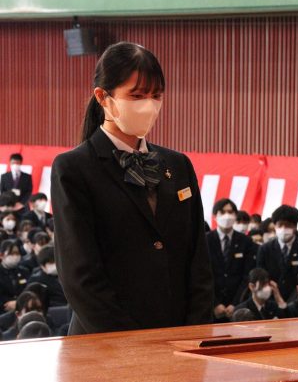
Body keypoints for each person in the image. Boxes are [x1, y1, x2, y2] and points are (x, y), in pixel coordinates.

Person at [50, 41, 213, 335]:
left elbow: (198, 258)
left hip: (179, 338)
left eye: (156, 96)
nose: (148, 105)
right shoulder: (74, 168)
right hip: (106, 341)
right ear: (103, 97)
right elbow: (79, 276)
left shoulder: (178, 165)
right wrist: (132, 345)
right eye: (136, 96)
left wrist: (195, 330)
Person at [205, 198, 257, 322]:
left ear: (235, 215)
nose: (227, 216)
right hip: (212, 308)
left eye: (230, 212)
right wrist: (215, 303)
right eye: (222, 212)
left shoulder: (246, 241)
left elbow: (247, 275)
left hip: (238, 307)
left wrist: (235, 304)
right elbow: (203, 275)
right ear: (215, 216)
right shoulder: (205, 240)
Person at [256, 205, 298, 302]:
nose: (283, 228)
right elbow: (261, 277)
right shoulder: (265, 249)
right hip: (271, 301)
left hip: (297, 302)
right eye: (280, 225)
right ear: (275, 226)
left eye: (288, 225)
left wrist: (291, 303)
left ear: (295, 227)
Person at [0, 239, 30, 314]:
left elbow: (28, 289)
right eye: (11, 253)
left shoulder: (24, 271)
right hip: (4, 310)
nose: (15, 256)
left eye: (17, 253)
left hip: (23, 307)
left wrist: (19, 303)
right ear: (1, 255)